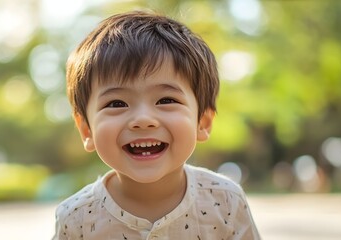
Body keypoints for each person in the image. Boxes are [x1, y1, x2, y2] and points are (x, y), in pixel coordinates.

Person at [53, 10, 260, 240]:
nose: (143, 119)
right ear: (86, 129)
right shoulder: (77, 219)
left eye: (166, 100)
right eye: (116, 103)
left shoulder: (226, 202)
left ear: (202, 121)